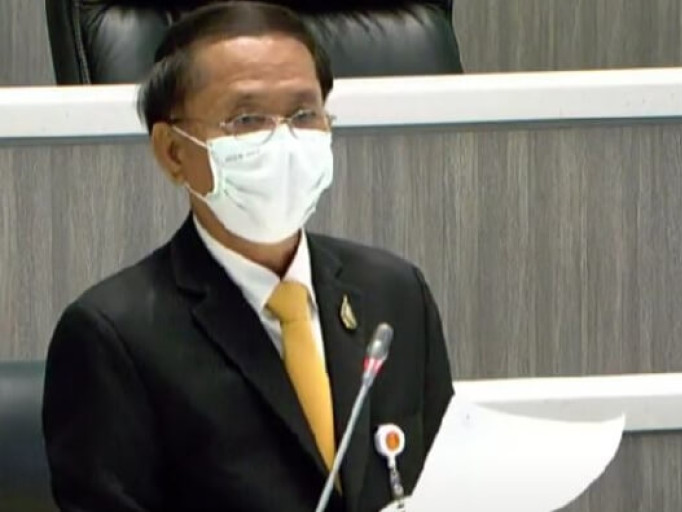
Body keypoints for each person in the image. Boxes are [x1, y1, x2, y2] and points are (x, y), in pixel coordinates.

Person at [42, 2, 454, 512]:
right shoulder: (113, 337)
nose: (283, 140)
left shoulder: (395, 294)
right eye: (246, 119)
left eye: (304, 115)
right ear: (173, 152)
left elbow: (448, 484)